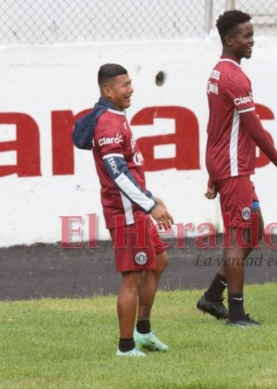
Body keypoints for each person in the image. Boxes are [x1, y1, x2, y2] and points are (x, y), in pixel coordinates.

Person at [196, 10, 277, 327]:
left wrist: (213, 172)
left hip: (227, 165)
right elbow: (254, 128)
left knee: (254, 230)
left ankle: (212, 295)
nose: (252, 41)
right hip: (234, 167)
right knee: (239, 238)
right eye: (246, 36)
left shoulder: (217, 73)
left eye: (252, 34)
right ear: (229, 39)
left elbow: (215, 127)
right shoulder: (235, 77)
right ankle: (236, 314)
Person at [72, 63, 174, 356]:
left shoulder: (118, 117)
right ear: (107, 90)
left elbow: (130, 169)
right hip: (126, 212)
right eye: (124, 85)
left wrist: (152, 198)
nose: (131, 89)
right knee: (132, 276)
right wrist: (150, 204)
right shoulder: (108, 124)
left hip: (137, 207)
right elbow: (117, 174)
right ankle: (125, 346)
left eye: (130, 83)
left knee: (159, 261)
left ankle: (143, 332)